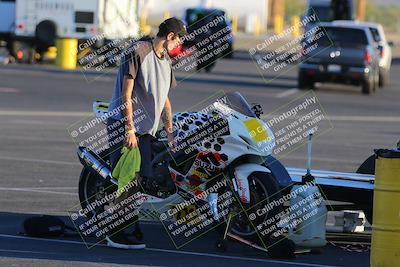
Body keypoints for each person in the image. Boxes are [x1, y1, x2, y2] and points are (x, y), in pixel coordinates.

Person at [105, 17, 186, 249]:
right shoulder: (139, 50)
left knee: (140, 181)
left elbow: (165, 100)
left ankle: (127, 223)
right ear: (170, 36)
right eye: (179, 38)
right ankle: (113, 230)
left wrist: (170, 131)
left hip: (147, 130)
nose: (179, 43)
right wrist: (129, 128)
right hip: (126, 124)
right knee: (130, 180)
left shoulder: (166, 61)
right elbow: (126, 94)